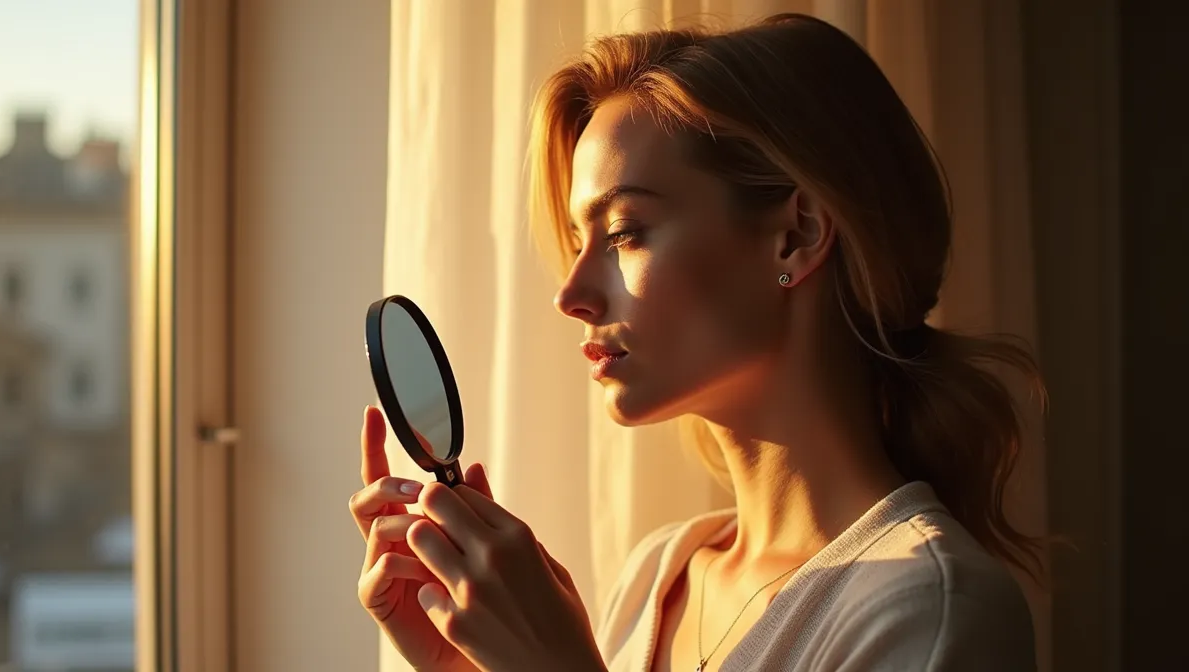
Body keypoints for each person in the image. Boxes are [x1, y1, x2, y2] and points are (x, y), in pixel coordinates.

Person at [349, 12, 1043, 672]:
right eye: (574, 240)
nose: (571, 295)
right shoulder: (662, 575)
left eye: (624, 232)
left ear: (795, 237)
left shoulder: (928, 608)